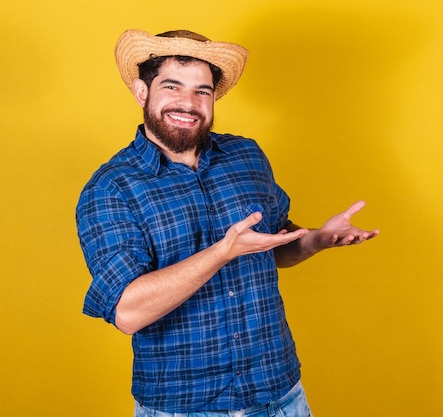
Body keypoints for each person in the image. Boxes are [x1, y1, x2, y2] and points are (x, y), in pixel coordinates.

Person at [76, 28, 379, 417]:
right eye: (173, 86)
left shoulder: (246, 155)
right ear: (142, 92)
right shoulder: (111, 188)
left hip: (281, 395)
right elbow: (128, 312)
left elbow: (273, 246)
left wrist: (317, 238)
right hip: (186, 407)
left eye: (202, 91)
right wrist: (222, 253)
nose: (189, 102)